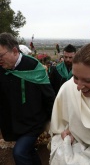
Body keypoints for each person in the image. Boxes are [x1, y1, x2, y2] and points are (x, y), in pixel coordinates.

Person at [0, 32, 55, 165]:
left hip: (33, 123)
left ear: (14, 51)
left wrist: (52, 121)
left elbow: (49, 97)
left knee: (19, 152)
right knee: (28, 152)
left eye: (0, 55)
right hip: (12, 122)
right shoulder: (1, 68)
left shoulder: (33, 67)